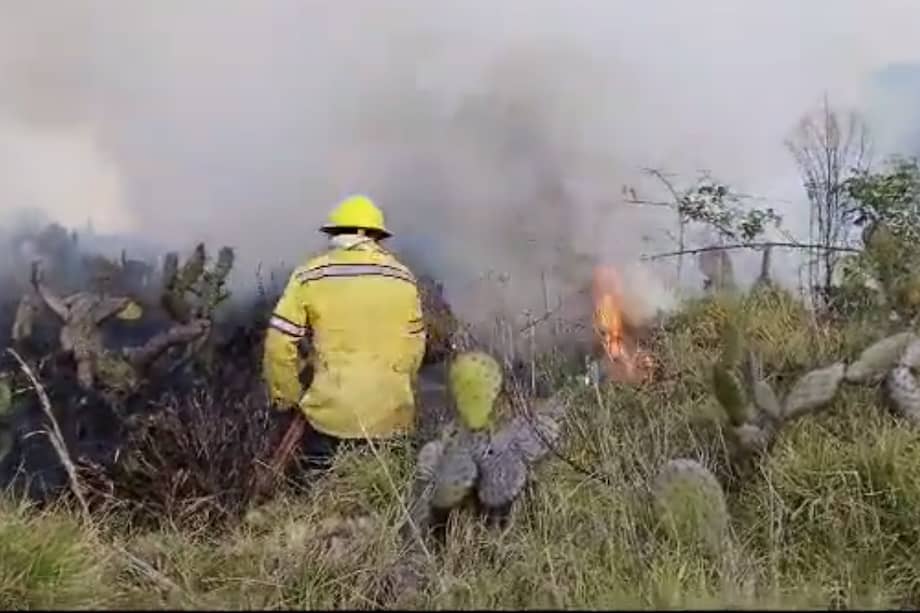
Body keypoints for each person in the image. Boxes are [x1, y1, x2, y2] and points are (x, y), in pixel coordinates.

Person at [262, 194, 427, 473]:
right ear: (374, 235)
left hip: (329, 418)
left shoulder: (309, 275)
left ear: (335, 233)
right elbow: (415, 347)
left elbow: (279, 343)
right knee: (386, 499)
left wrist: (287, 398)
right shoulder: (403, 277)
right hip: (392, 418)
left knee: (318, 500)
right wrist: (398, 388)